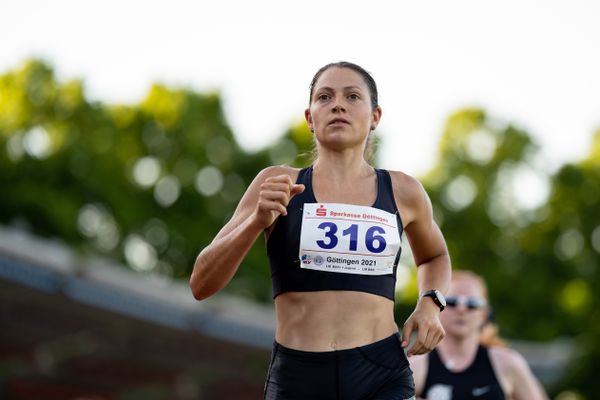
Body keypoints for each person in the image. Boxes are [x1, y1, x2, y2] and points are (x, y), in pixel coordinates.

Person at [190, 61, 452, 400]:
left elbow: (435, 255)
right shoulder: (277, 183)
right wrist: (256, 220)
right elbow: (201, 283)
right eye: (325, 97)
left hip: (380, 372)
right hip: (298, 376)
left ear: (375, 116)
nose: (338, 104)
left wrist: (431, 303)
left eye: (353, 96)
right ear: (310, 118)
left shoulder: (404, 190)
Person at [408, 270, 549, 400]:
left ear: (484, 314)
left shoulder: (507, 363)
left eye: (472, 304)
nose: (461, 309)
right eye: (451, 302)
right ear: (437, 308)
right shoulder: (417, 366)